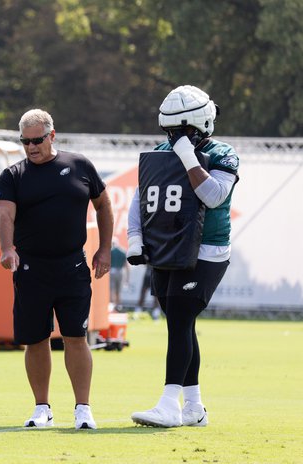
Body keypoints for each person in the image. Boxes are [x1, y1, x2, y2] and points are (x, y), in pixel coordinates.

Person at [127, 85, 239, 428]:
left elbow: (215, 196)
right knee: (181, 324)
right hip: (168, 247)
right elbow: (139, 199)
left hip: (206, 249)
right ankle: (194, 407)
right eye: (171, 131)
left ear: (200, 125)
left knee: (179, 318)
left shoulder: (223, 153)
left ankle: (169, 403)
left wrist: (189, 156)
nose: (175, 138)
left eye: (182, 131)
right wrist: (135, 238)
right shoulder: (161, 152)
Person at [0, 109, 113, 430]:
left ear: (52, 135)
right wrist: (7, 248)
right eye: (25, 142)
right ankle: (42, 408)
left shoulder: (79, 165)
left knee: (76, 336)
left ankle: (83, 409)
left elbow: (103, 205)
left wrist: (104, 249)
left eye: (37, 140)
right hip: (31, 269)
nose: (31, 147)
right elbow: (4, 216)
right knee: (36, 340)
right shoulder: (13, 175)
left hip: (72, 266)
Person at [109, 237, 128, 308]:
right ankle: (118, 305)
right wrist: (127, 278)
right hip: (120, 271)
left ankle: (112, 304)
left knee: (111, 289)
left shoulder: (110, 251)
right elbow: (126, 266)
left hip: (112, 271)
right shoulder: (123, 251)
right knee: (118, 289)